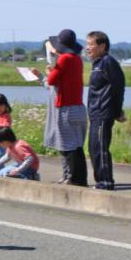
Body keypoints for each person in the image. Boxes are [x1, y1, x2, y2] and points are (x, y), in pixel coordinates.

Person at [31, 29, 87, 186]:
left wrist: (49, 71)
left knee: (67, 147)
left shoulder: (64, 59)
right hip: (78, 108)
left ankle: (74, 179)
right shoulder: (77, 59)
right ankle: (78, 179)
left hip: (66, 109)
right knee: (76, 147)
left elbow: (51, 80)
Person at [85, 30, 125, 190]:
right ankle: (100, 181)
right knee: (93, 148)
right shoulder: (97, 63)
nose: (87, 48)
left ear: (102, 46)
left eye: (91, 44)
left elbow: (118, 87)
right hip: (95, 113)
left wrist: (117, 111)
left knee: (100, 148)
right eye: (87, 44)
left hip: (104, 112)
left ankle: (106, 182)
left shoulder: (109, 62)